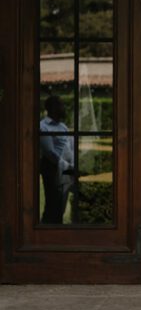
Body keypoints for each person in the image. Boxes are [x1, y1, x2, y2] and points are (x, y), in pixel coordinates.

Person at [39, 95, 75, 224]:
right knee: (52, 205)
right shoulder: (43, 126)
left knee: (61, 205)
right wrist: (68, 166)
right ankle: (46, 230)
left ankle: (57, 230)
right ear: (53, 108)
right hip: (52, 169)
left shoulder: (63, 126)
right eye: (61, 105)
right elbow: (50, 152)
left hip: (66, 169)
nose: (64, 108)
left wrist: (72, 165)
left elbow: (70, 146)